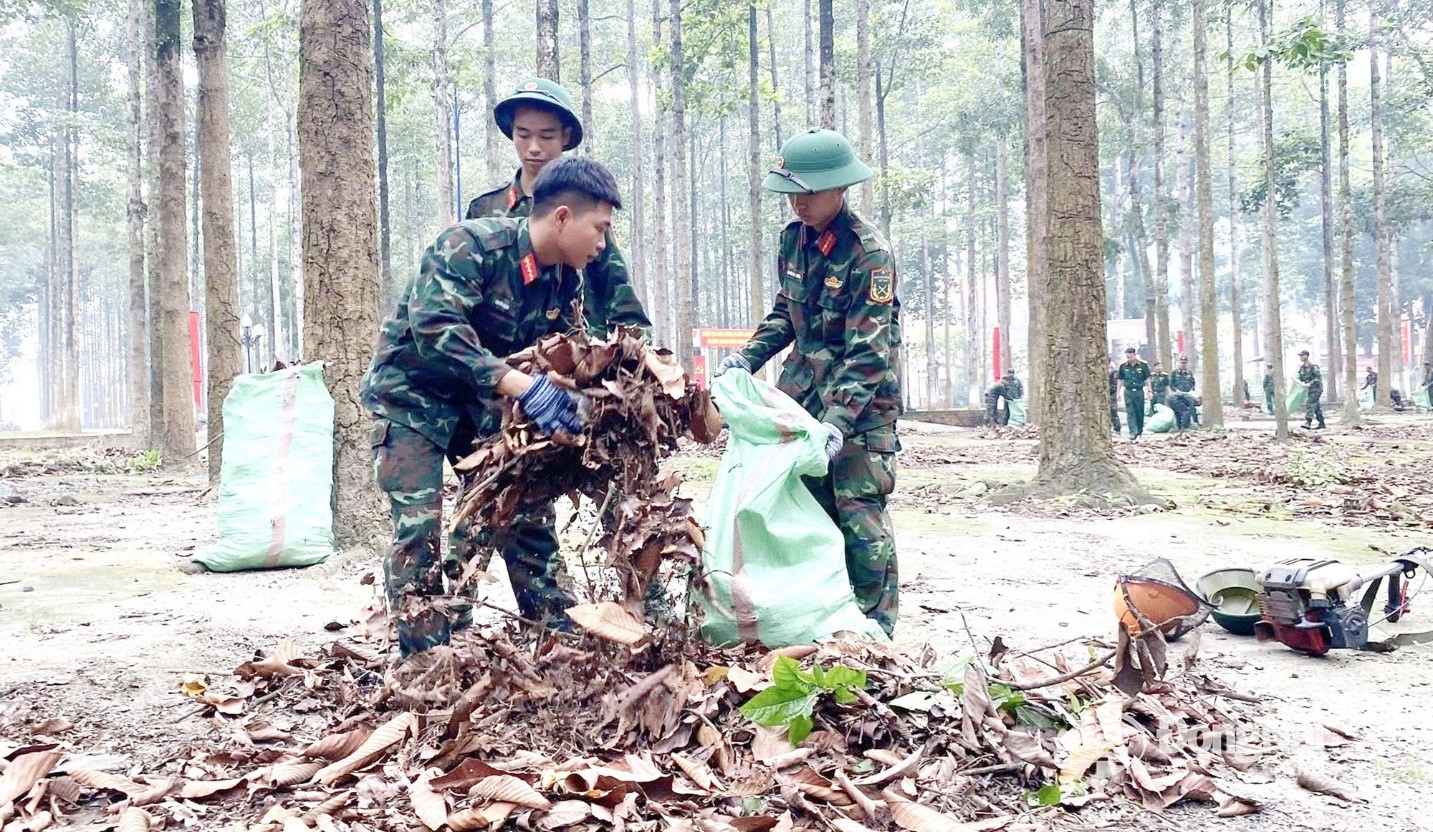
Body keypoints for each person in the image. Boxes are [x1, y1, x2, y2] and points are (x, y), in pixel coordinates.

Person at [362, 157, 624, 656]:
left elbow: (553, 350)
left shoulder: (565, 280)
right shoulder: (470, 245)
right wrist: (521, 386)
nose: (603, 245)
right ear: (564, 217)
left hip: (479, 405)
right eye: (600, 228)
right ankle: (426, 660)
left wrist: (580, 401)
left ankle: (557, 635)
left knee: (524, 505)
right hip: (411, 398)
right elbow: (436, 327)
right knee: (419, 527)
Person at [714, 129, 901, 636]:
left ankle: (878, 634)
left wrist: (837, 423)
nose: (798, 203)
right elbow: (786, 312)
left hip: (860, 411)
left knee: (860, 521)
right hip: (804, 402)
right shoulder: (792, 241)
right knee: (810, 520)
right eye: (791, 192)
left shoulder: (869, 255)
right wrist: (746, 359)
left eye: (810, 192)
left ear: (840, 189)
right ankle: (828, 628)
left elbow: (869, 353)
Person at [465, 78, 651, 338]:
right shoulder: (485, 209)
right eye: (523, 134)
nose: (534, 147)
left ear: (565, 136)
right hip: (503, 358)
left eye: (547, 136)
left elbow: (619, 295)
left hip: (576, 352)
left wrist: (643, 359)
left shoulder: (587, 210)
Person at [1116, 347, 1151, 440]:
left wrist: (1150, 390)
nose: (1129, 359)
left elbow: (1147, 378)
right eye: (1127, 357)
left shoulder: (1143, 365)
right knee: (1130, 412)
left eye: (1131, 357)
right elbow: (1120, 379)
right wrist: (1118, 393)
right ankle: (1133, 432)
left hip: (1139, 391)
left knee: (1139, 412)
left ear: (1135, 355)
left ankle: (1139, 431)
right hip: (1128, 391)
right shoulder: (1123, 366)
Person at [1296, 349, 1326, 430]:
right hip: (1309, 390)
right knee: (1316, 406)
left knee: (1310, 404)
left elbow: (1318, 378)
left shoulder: (1313, 366)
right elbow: (1301, 378)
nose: (1301, 357)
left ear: (1307, 356)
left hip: (1316, 389)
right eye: (1300, 356)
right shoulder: (1302, 368)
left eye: (1302, 355)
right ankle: (1322, 423)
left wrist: (1310, 383)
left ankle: (1308, 422)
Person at [1109, 363, 1122, 433]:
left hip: (1112, 393)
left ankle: (1117, 428)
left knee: (1113, 410)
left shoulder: (1113, 372)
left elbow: (1115, 384)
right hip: (1105, 392)